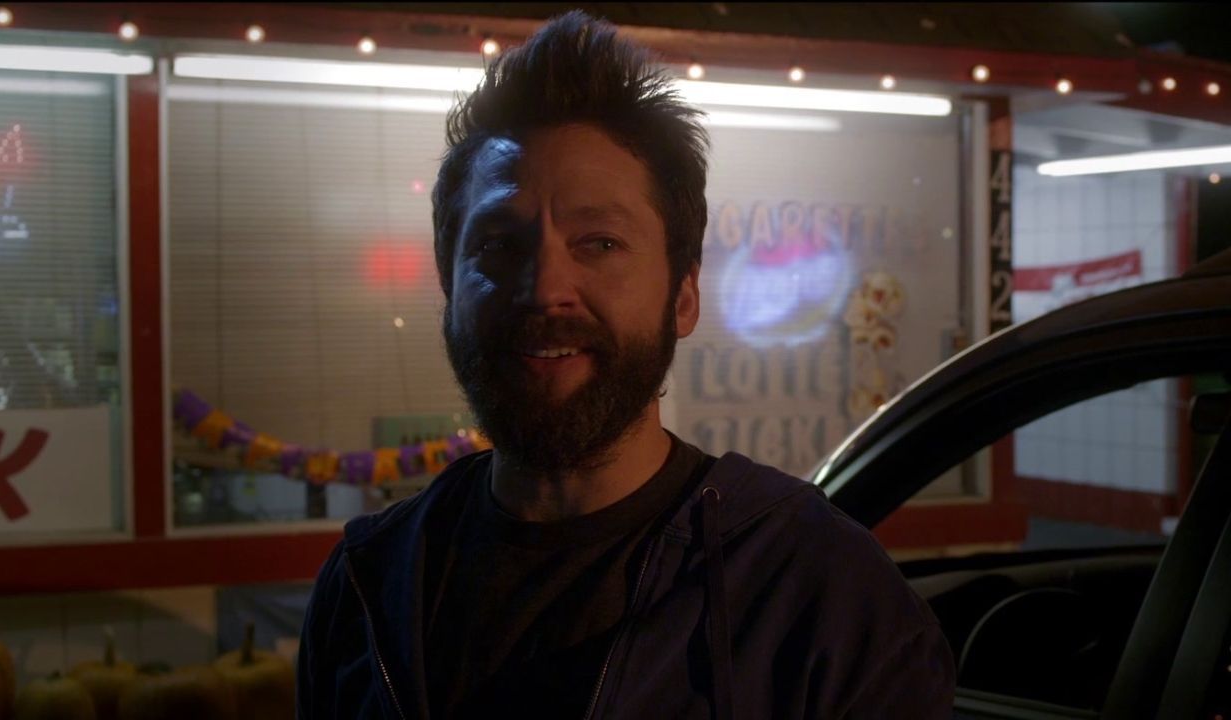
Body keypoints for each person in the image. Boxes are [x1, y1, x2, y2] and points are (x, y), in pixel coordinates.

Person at [297, 10, 955, 719]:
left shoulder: (817, 595)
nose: (545, 289)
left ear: (684, 296)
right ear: (448, 286)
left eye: (600, 243)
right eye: (498, 246)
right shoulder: (369, 583)